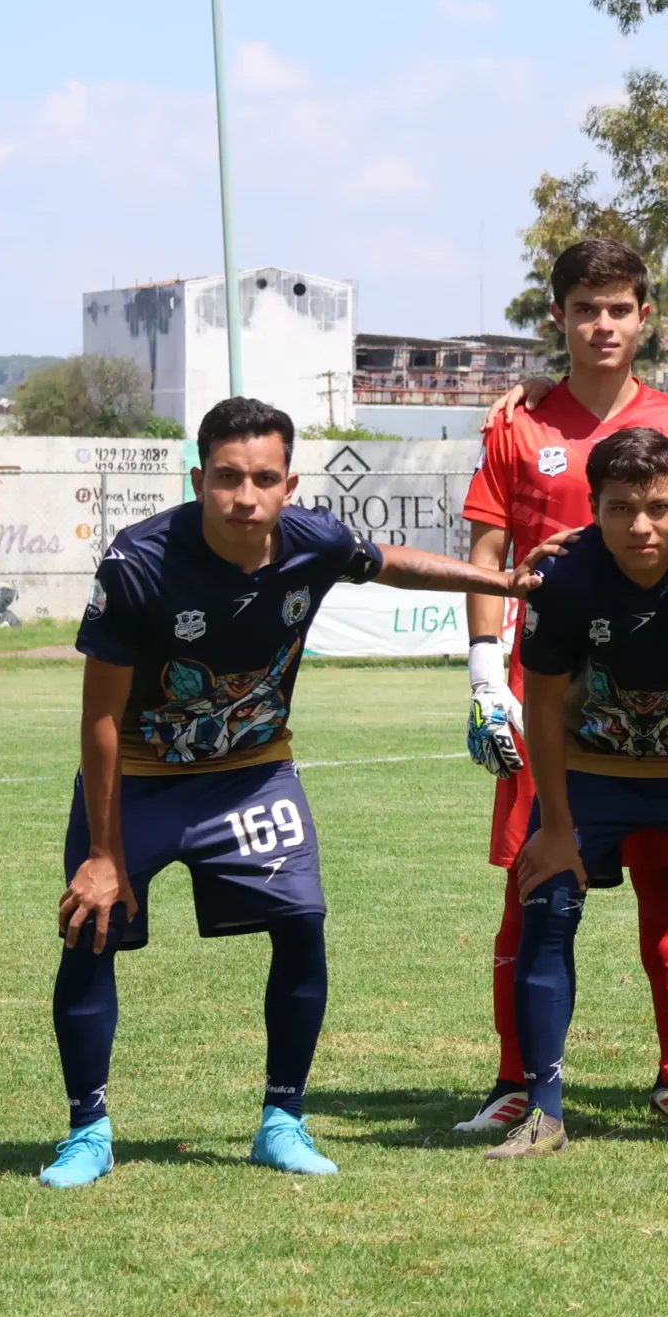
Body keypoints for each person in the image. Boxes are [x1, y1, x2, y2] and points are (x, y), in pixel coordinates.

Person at [41, 396, 547, 1189]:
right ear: (198, 477)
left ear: (290, 483)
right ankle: (87, 1131)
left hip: (252, 772)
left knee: (302, 922)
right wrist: (105, 852)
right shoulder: (137, 562)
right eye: (227, 478)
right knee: (92, 930)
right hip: (139, 777)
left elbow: (390, 561)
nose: (246, 496)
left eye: (264, 478)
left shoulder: (312, 540)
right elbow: (100, 713)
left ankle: (283, 1119)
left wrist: (504, 582)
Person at [455, 238, 668, 1140]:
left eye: (619, 308)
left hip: (658, 706)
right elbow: (487, 557)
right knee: (533, 879)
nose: (603, 324)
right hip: (548, 699)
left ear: (644, 317)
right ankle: (516, 1080)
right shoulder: (519, 421)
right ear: (559, 318)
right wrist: (482, 675)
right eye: (586, 308)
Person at [494, 427, 668, 1162]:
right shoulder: (568, 576)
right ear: (593, 507)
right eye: (620, 508)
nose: (640, 525)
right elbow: (544, 706)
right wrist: (554, 826)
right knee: (546, 898)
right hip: (591, 768)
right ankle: (544, 1111)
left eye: (658, 506)